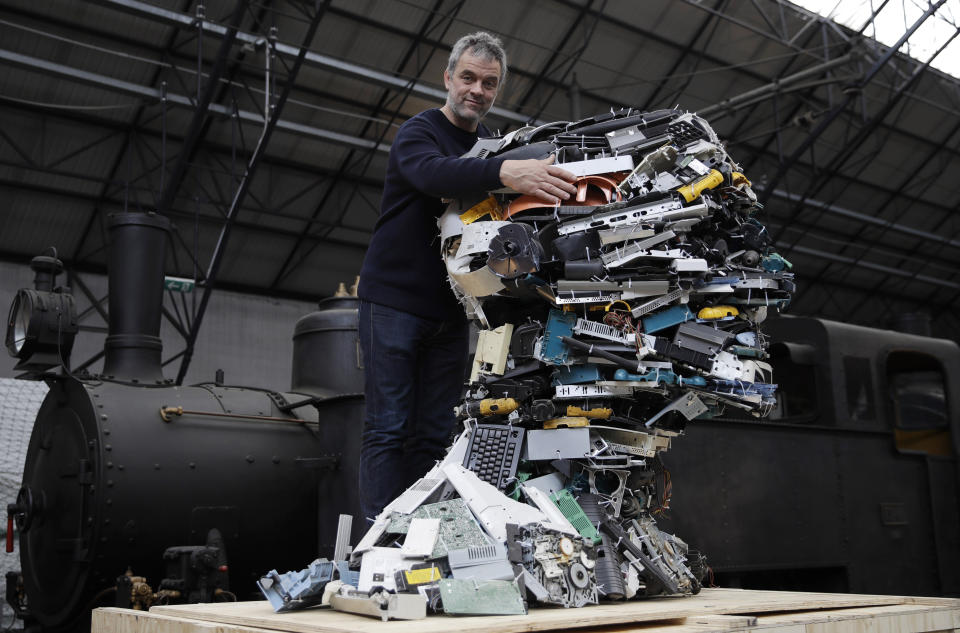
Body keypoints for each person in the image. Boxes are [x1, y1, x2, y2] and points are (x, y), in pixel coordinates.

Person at [356, 31, 577, 521]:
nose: (477, 90)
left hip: (452, 313)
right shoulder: (420, 133)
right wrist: (506, 173)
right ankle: (374, 542)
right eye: (468, 78)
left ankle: (416, 535)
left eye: (489, 83)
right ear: (448, 78)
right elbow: (435, 174)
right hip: (392, 302)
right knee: (388, 428)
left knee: (434, 431)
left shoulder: (494, 148)